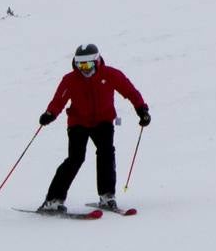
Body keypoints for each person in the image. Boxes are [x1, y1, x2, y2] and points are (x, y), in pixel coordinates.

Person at [37, 43, 149, 214]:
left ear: (96, 61)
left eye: (87, 64)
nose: (84, 69)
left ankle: (107, 196)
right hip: (78, 122)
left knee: (106, 154)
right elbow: (58, 100)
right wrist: (50, 114)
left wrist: (142, 110)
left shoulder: (111, 74)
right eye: (80, 64)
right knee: (75, 158)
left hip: (103, 121)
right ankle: (53, 200)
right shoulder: (70, 79)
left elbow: (130, 91)